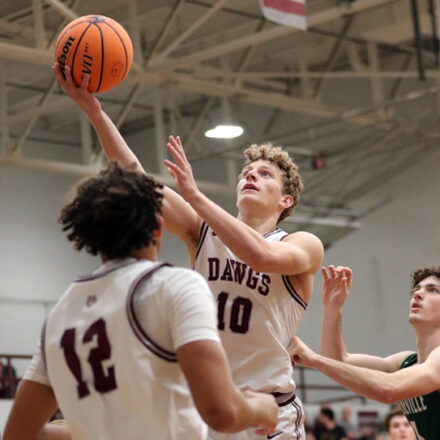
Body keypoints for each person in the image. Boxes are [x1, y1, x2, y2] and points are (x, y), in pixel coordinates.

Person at [52, 63, 324, 440]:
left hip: (268, 411)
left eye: (265, 174)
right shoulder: (203, 229)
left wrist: (194, 196)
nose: (251, 175)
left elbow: (261, 257)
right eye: (247, 172)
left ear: (286, 200)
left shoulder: (302, 244)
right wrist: (94, 112)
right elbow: (137, 181)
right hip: (206, 406)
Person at [3, 163, 278, 440]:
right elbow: (220, 412)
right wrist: (261, 408)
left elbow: (17, 435)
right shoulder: (174, 286)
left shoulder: (61, 312)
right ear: (158, 227)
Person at [289, 265, 440, 440]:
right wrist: (332, 308)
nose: (418, 294)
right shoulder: (405, 362)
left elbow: (389, 389)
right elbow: (336, 361)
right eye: (417, 289)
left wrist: (314, 360)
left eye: (433, 290)